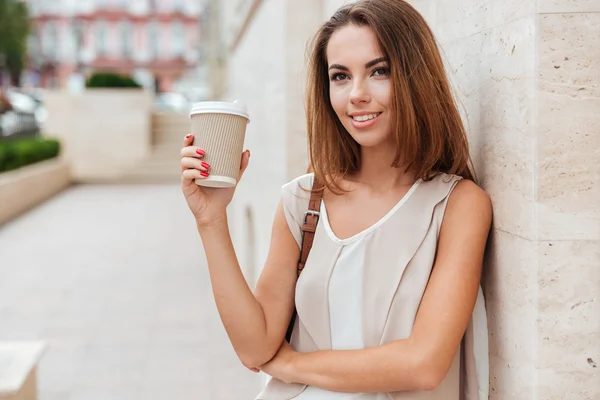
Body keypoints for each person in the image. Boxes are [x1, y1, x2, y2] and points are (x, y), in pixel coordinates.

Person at [180, 0, 492, 399]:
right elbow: (254, 347)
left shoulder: (457, 205)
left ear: (417, 77)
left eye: (379, 71)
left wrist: (292, 364)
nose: (357, 94)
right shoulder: (302, 201)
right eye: (340, 76)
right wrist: (210, 219)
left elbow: (423, 364)